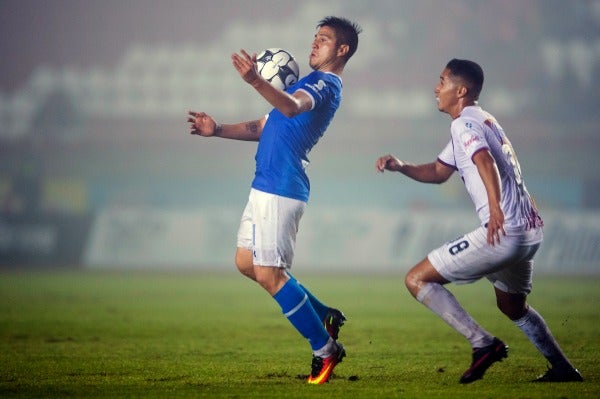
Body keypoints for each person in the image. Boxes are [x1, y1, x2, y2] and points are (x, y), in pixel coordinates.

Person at [375, 59, 583, 384]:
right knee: (513, 306)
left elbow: (484, 160)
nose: (435, 87)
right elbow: (439, 172)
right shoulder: (479, 119)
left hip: (505, 230)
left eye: (441, 81)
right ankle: (563, 368)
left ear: (460, 90)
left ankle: (482, 342)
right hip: (529, 231)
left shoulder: (464, 125)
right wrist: (402, 166)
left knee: (417, 279)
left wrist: (496, 207)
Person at [188, 16, 361, 384]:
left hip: (282, 187)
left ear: (342, 50)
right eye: (315, 37)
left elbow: (292, 107)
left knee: (269, 272)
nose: (314, 44)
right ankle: (325, 315)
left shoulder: (326, 85)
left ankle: (324, 349)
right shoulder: (306, 81)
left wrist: (255, 80)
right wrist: (217, 130)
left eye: (324, 39)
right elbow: (263, 126)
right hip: (264, 184)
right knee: (246, 262)